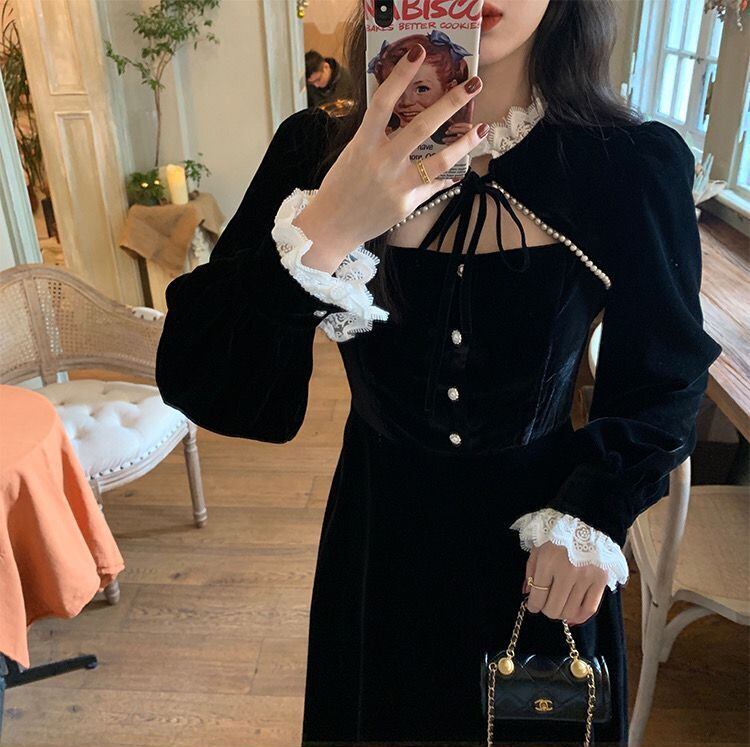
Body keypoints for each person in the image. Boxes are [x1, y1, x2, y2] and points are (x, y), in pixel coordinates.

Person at [155, 1, 723, 745]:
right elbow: (206, 379)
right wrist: (327, 227)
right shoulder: (317, 151)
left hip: (546, 557)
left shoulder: (627, 163)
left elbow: (665, 374)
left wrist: (594, 511)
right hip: (378, 548)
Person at [368, 30, 474, 144]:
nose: (406, 102)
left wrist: (469, 147)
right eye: (397, 90)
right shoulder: (377, 136)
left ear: (449, 89)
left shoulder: (454, 135)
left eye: (422, 89)